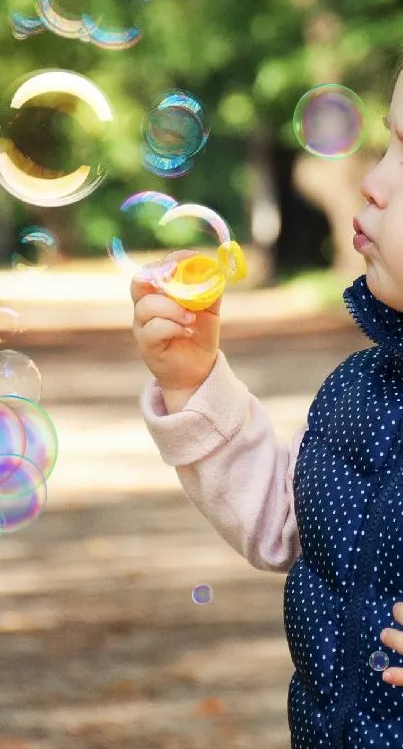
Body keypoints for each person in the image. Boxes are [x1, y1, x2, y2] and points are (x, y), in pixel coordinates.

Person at [131, 70, 403, 749]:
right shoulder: (357, 392)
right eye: (387, 144)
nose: (374, 180)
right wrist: (194, 382)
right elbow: (288, 522)